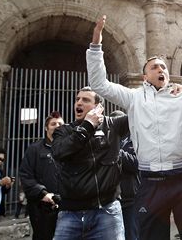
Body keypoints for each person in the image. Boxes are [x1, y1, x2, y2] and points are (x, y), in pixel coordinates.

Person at [87, 17, 182, 240]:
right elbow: (99, 84)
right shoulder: (133, 98)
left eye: (163, 66)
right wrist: (96, 46)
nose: (161, 69)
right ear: (145, 76)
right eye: (154, 67)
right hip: (150, 182)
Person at [52, 87, 129, 240]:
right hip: (70, 214)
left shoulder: (112, 126)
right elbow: (59, 152)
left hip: (106, 211)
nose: (78, 103)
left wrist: (171, 92)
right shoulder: (64, 131)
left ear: (98, 107)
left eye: (85, 100)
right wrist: (87, 126)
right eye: (77, 99)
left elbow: (144, 110)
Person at [19, 111, 65, 240]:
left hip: (66, 206)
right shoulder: (34, 149)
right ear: (46, 128)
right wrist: (42, 193)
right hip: (42, 208)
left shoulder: (70, 149)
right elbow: (25, 175)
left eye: (60, 124)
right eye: (53, 123)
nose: (57, 126)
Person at [111, 110, 140, 240]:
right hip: (110, 201)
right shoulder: (104, 140)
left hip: (130, 201)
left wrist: (117, 150)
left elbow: (136, 164)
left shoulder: (134, 139)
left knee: (131, 236)